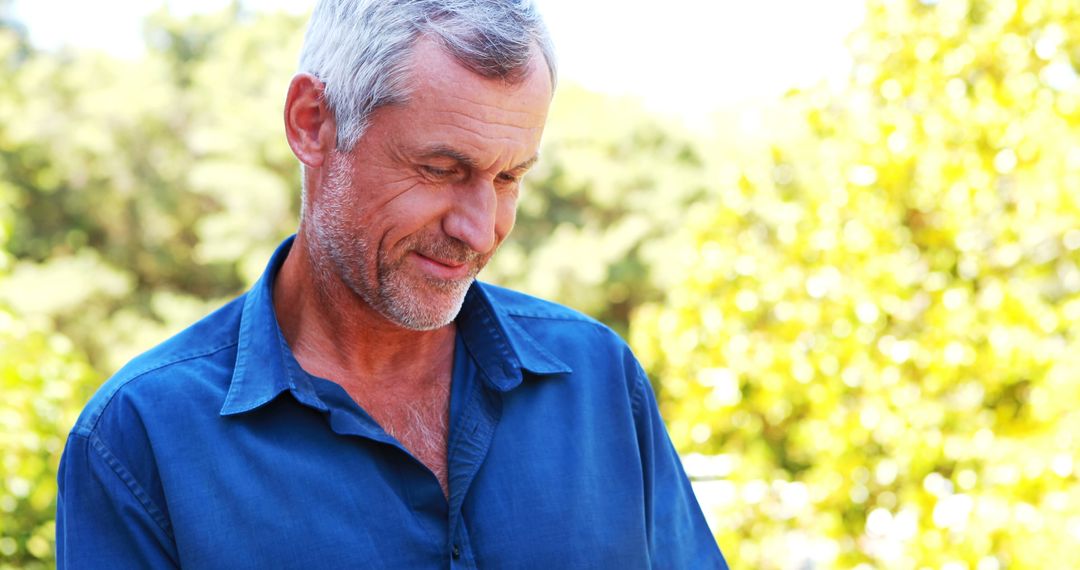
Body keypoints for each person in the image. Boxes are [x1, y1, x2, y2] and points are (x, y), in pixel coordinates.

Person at [56, 1, 728, 567]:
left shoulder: (600, 381)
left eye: (508, 179)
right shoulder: (138, 439)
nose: (479, 228)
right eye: (440, 169)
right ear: (312, 123)